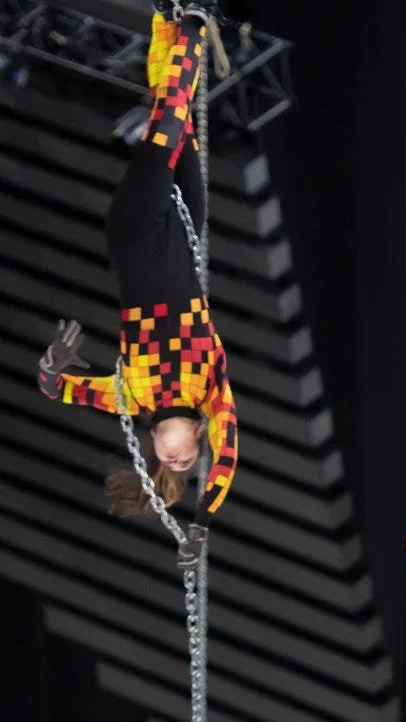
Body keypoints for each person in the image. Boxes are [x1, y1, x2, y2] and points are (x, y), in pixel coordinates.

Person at [36, 1, 236, 570]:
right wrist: (203, 519)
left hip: (137, 241)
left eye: (167, 463)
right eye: (187, 464)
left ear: (153, 446)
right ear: (198, 443)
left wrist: (53, 367)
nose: (177, 459)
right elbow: (229, 460)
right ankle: (167, 22)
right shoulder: (212, 394)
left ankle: (192, 23)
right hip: (182, 235)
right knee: (173, 123)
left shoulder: (132, 396)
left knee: (169, 121)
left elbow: (59, 391)